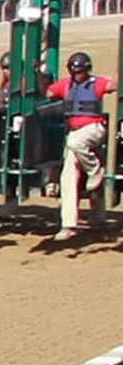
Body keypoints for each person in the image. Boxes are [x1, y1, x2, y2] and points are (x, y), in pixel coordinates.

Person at [44, 51, 115, 243]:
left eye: (80, 72)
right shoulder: (66, 84)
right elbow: (48, 92)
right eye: (73, 71)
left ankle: (94, 169)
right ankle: (69, 224)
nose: (76, 75)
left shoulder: (96, 83)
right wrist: (37, 75)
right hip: (74, 131)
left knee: (75, 144)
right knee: (68, 174)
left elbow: (113, 85)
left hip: (93, 129)